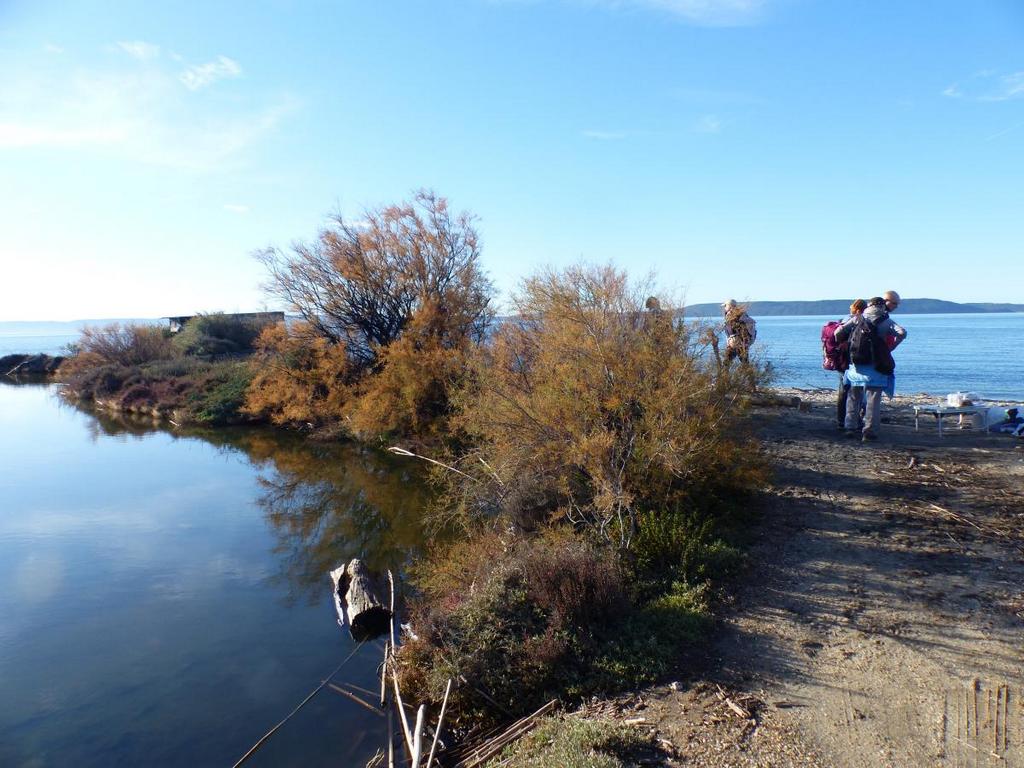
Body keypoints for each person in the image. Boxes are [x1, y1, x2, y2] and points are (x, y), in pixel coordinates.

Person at [835, 293, 907, 441]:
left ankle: (850, 427)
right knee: (873, 400)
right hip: (876, 366)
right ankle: (869, 431)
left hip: (856, 365)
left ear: (869, 305)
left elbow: (838, 332)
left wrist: (845, 344)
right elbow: (902, 332)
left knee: (853, 397)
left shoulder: (857, 318)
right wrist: (891, 347)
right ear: (882, 306)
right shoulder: (886, 321)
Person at [835, 299, 867, 429]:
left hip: (843, 359)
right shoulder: (858, 320)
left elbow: (837, 336)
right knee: (856, 390)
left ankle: (841, 421)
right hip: (854, 359)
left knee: (844, 390)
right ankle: (855, 421)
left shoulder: (844, 319)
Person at [722, 299, 756, 364]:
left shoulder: (732, 315)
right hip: (742, 343)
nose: (724, 307)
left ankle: (724, 374)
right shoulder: (742, 315)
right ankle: (749, 373)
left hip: (736, 343)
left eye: (725, 306)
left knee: (726, 363)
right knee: (745, 363)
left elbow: (732, 330)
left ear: (729, 306)